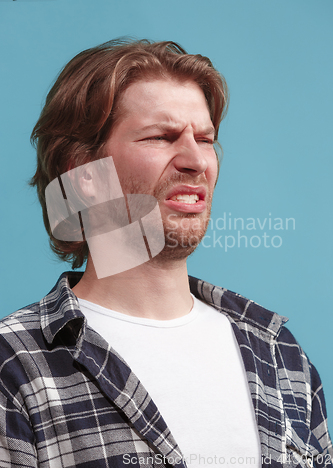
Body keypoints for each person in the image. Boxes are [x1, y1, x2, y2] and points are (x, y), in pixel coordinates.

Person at [0, 40, 332, 468]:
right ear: (83, 174)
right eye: (161, 137)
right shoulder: (15, 365)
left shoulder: (279, 353)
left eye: (206, 139)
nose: (197, 161)